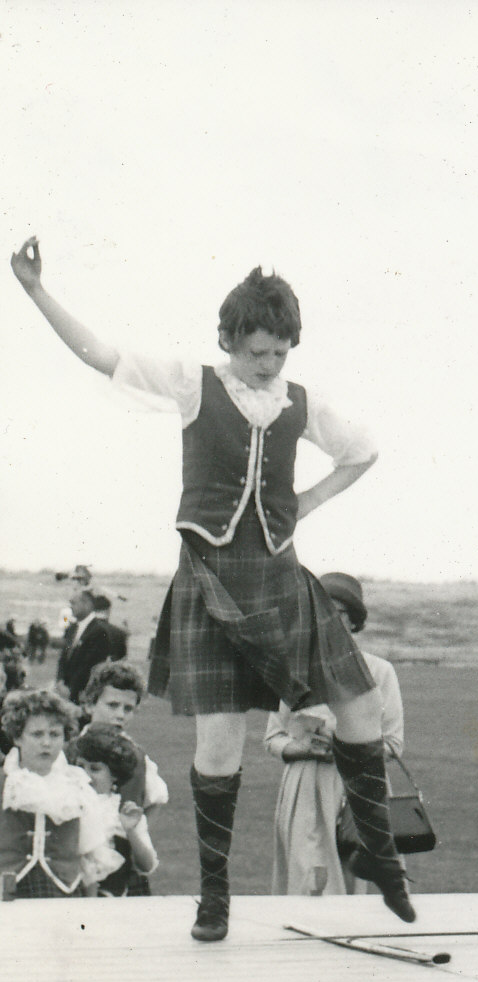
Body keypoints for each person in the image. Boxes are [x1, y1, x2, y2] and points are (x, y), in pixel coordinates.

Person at [11, 237, 416, 941]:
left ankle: (380, 854)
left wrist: (306, 503)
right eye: (256, 351)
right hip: (209, 582)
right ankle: (215, 896)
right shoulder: (192, 383)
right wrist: (36, 291)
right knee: (220, 748)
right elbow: (101, 355)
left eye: (280, 353)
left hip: (281, 577)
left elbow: (364, 451)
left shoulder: (298, 401)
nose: (268, 365)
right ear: (228, 338)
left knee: (359, 711)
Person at [265, 573, 405, 896]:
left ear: (353, 621)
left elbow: (394, 744)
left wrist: (346, 745)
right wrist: (303, 748)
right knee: (306, 883)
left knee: (358, 883)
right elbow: (273, 738)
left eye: (338, 612)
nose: (328, 620)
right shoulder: (292, 670)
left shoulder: (380, 672)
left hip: (360, 787)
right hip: (306, 786)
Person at [0, 690, 121, 898]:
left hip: (62, 892)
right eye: (37, 734)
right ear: (18, 737)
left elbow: (89, 854)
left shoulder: (77, 787)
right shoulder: (6, 783)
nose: (46, 743)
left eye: (55, 734)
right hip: (8, 893)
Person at [68, 723, 159, 896]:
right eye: (80, 766)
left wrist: (130, 831)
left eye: (95, 769)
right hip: (71, 893)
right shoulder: (67, 805)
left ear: (115, 775)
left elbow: (147, 866)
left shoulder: (123, 811)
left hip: (112, 897)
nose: (85, 774)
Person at [78, 660, 169, 823]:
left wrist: (137, 832)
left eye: (128, 709)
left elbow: (157, 799)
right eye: (113, 705)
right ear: (90, 705)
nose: (120, 715)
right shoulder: (71, 749)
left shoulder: (138, 757)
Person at [56, 586, 127, 703]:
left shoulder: (99, 631)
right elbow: (63, 658)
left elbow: (90, 665)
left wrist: (72, 690)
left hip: (81, 693)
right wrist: (59, 682)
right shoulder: (72, 628)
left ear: (87, 604)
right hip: (64, 691)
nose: (70, 607)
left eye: (74, 603)